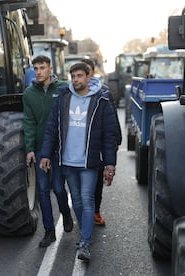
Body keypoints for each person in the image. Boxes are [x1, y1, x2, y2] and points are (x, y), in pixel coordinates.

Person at [39, 62, 118, 261]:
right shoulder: (64, 98)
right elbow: (51, 127)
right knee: (77, 201)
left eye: (80, 76)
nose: (76, 80)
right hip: (67, 161)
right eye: (73, 76)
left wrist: (110, 163)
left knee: (87, 199)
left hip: (89, 162)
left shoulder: (101, 100)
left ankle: (84, 242)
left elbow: (109, 134)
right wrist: (46, 154)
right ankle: (86, 235)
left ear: (88, 77)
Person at [22, 55, 73, 248]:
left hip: (59, 148)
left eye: (42, 68)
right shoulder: (29, 94)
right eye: (35, 68)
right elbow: (28, 122)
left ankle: (66, 213)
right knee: (43, 191)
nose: (38, 72)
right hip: (39, 148)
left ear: (50, 68)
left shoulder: (63, 88)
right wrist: (29, 149)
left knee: (59, 188)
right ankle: (49, 231)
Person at [80, 58, 122, 226]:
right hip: (78, 147)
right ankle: (83, 210)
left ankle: (95, 211)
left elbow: (112, 119)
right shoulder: (71, 93)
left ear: (92, 73)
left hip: (96, 145)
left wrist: (116, 140)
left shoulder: (104, 92)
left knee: (97, 181)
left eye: (87, 72)